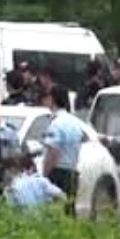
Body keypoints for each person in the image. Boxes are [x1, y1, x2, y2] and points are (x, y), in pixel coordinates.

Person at [40, 86, 85, 216]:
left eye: (47, 97)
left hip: (58, 173)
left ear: (53, 99)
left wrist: (45, 174)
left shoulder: (56, 124)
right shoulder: (74, 122)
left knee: (55, 212)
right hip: (72, 171)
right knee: (69, 211)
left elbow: (53, 152)